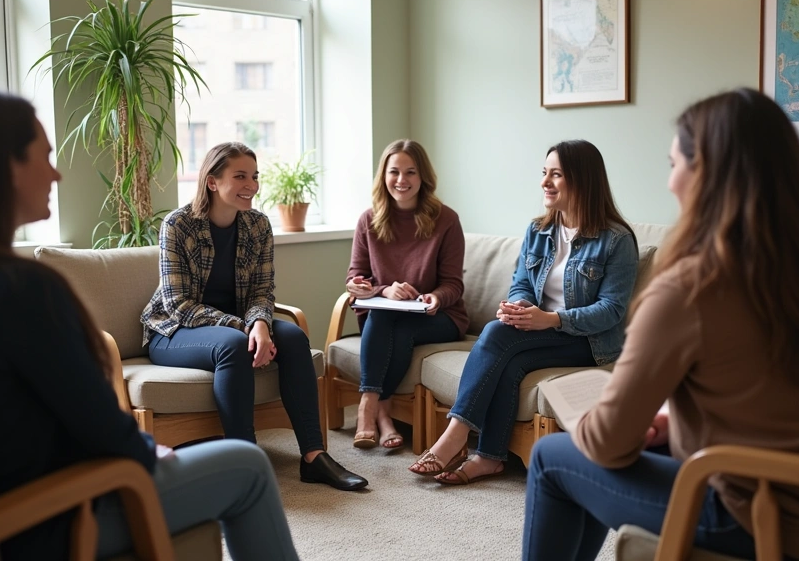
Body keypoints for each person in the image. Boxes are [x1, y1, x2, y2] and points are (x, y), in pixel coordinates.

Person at [0, 87, 301, 560]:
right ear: (2, 169)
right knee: (247, 465)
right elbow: (106, 432)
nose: (55, 173)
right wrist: (148, 450)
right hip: (53, 518)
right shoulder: (22, 290)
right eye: (45, 156)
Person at [522, 89, 799, 561]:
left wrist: (587, 420)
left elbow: (608, 445)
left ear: (706, 177)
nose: (671, 183)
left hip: (762, 520)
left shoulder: (692, 286)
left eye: (674, 165)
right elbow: (770, 393)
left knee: (555, 458)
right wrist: (673, 424)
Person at [141, 141, 367, 491]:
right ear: (213, 182)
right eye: (240, 176)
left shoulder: (258, 225)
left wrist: (260, 322)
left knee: (292, 336)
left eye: (255, 176)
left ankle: (314, 456)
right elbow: (177, 304)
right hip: (173, 331)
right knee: (233, 344)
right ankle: (245, 462)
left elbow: (262, 291)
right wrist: (246, 327)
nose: (252, 185)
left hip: (239, 323)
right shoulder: (178, 224)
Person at [409, 139, 638, 484]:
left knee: (495, 334)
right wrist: (519, 306)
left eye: (556, 174)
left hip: (589, 341)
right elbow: (522, 284)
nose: (545, 182)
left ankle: (455, 436)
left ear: (583, 181)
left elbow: (611, 310)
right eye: (544, 173)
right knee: (510, 360)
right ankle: (489, 458)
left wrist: (552, 319)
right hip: (541, 330)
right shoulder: (539, 230)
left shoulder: (616, 240)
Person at [345, 139, 468, 450]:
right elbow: (354, 277)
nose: (402, 180)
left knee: (391, 320)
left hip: (439, 317)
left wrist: (435, 298)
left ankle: (367, 408)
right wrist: (381, 288)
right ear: (383, 176)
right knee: (388, 318)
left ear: (423, 176)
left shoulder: (447, 220)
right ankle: (383, 415)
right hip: (386, 316)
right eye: (394, 172)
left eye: (411, 172)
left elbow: (453, 284)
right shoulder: (368, 220)